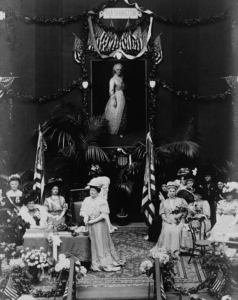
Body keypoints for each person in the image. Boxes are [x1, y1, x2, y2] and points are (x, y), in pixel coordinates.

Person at [80, 183, 124, 272]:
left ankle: (105, 264)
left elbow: (104, 215)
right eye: (90, 190)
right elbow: (82, 211)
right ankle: (95, 262)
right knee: (93, 243)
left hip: (100, 225)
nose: (91, 192)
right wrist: (85, 216)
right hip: (90, 225)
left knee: (101, 243)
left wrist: (92, 221)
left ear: (98, 191)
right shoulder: (86, 200)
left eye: (93, 190)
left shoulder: (102, 201)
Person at [150, 181, 188, 257]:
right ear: (168, 191)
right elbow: (162, 213)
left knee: (176, 231)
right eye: (170, 191)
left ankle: (175, 250)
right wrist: (167, 220)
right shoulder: (164, 202)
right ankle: (166, 250)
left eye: (173, 191)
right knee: (167, 230)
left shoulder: (181, 200)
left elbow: (186, 211)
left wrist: (180, 216)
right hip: (167, 221)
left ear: (176, 191)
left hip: (179, 220)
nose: (172, 193)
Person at [181, 186, 211, 252]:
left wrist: (199, 217)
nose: (194, 196)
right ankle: (190, 247)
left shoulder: (204, 202)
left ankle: (200, 247)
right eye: (194, 194)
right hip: (192, 221)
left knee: (200, 230)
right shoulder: (191, 203)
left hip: (202, 221)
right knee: (186, 229)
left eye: (196, 195)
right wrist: (189, 217)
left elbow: (207, 214)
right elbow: (189, 214)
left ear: (200, 196)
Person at [104, 63, 127, 136]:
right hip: (116, 97)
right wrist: (113, 100)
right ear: (114, 70)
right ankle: (112, 131)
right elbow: (111, 91)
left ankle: (121, 132)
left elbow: (125, 87)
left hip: (122, 97)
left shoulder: (122, 78)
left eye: (120, 69)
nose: (119, 71)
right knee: (115, 114)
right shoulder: (112, 79)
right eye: (117, 69)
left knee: (123, 114)